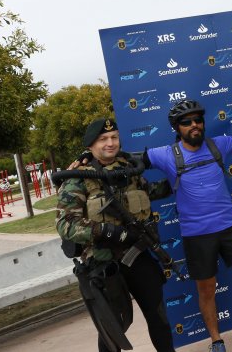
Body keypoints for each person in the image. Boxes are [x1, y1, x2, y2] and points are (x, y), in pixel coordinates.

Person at [143, 100, 232, 352]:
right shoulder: (166, 154)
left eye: (198, 120)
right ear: (177, 128)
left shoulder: (217, 145)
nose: (194, 125)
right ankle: (216, 342)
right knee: (206, 290)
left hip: (228, 227)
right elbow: (134, 160)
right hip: (196, 235)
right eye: (187, 122)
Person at [56, 118, 175, 352]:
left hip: (138, 256)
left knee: (158, 316)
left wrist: (179, 181)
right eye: (103, 139)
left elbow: (145, 192)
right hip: (104, 263)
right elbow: (65, 224)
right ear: (90, 145)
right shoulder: (78, 177)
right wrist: (107, 231)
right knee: (113, 329)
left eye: (114, 137)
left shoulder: (127, 168)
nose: (110, 143)